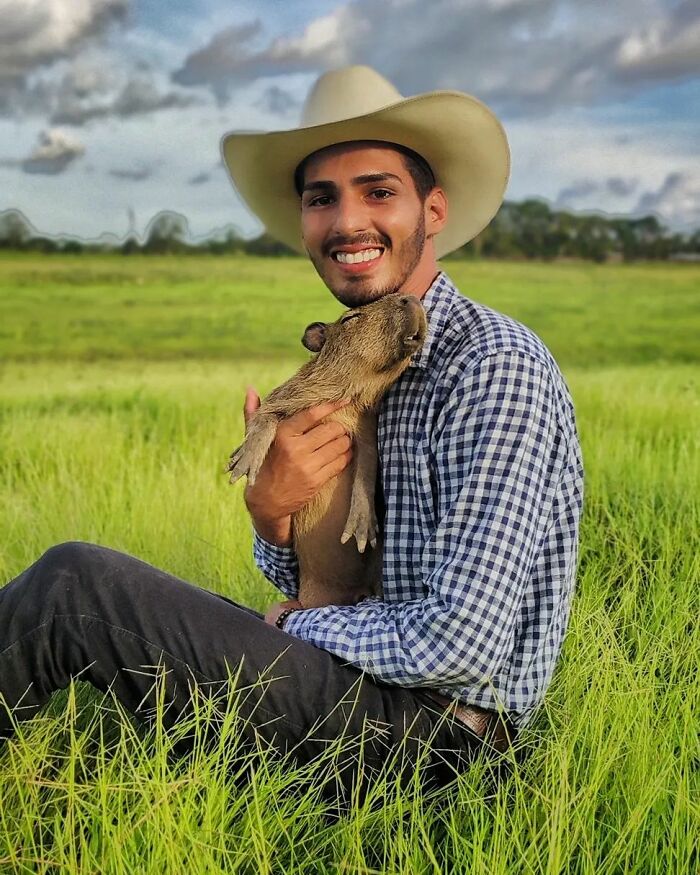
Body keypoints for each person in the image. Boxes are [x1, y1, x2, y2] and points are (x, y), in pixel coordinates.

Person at [0, 66, 583, 798]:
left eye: (378, 191)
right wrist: (273, 518)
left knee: (73, 588)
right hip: (362, 691)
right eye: (321, 198)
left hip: (437, 749)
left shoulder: (492, 367)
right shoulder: (357, 364)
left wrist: (296, 628)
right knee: (113, 612)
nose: (346, 222)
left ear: (433, 210)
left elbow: (458, 645)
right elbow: (322, 579)